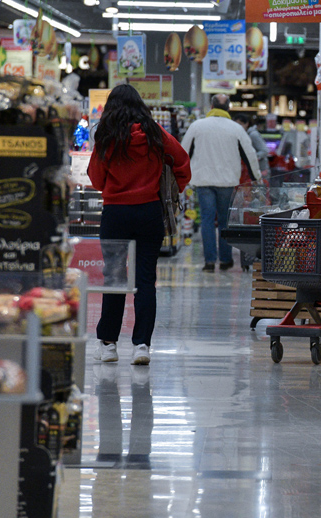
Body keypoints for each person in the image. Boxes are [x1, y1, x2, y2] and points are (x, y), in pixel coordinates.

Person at [88, 83, 191, 365]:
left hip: (115, 214)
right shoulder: (155, 134)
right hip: (149, 212)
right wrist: (171, 190)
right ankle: (141, 346)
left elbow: (96, 180)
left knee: (114, 278)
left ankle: (108, 345)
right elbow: (182, 162)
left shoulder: (107, 136)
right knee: (146, 280)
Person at [180, 94, 261, 272]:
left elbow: (183, 152)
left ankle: (209, 262)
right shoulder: (236, 129)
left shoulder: (197, 126)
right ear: (229, 108)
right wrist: (256, 178)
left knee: (207, 221)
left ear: (211, 106)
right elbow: (250, 154)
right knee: (225, 221)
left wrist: (180, 178)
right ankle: (225, 260)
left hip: (203, 181)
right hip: (227, 181)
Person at [234, 114, 270, 179]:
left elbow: (264, 150)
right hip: (252, 171)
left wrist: (251, 157)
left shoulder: (253, 135)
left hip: (260, 170)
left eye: (240, 124)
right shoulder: (242, 135)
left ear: (247, 124)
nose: (238, 126)